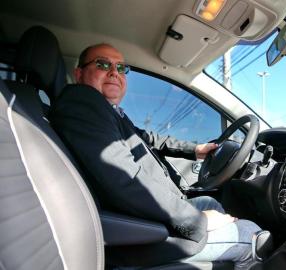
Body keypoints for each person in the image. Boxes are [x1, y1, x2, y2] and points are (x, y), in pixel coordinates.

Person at [49, 43, 269, 269]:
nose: (114, 72)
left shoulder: (107, 112)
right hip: (137, 232)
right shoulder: (83, 102)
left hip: (145, 215)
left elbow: (149, 138)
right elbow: (124, 180)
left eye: (121, 67)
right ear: (79, 74)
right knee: (251, 235)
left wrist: (196, 150)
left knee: (209, 202)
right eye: (103, 64)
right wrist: (198, 221)